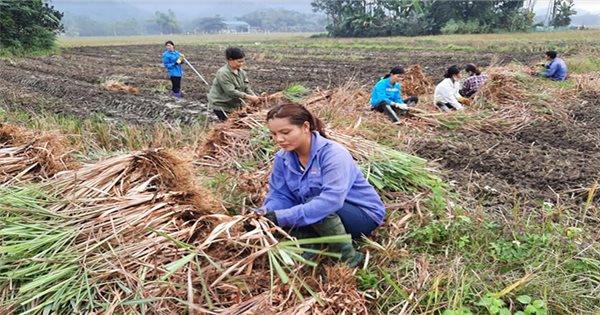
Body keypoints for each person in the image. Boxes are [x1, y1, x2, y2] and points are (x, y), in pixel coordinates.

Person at [257, 103, 386, 268]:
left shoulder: (333, 155)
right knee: (280, 218)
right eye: (273, 134)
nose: (279, 139)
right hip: (320, 211)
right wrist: (265, 215)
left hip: (360, 216)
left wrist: (283, 217)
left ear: (305, 127)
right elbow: (280, 195)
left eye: (285, 132)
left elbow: (331, 201)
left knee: (315, 206)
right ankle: (314, 245)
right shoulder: (282, 158)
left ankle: (349, 258)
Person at [208, 47, 260, 121]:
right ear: (230, 60)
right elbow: (230, 92)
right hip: (222, 105)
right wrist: (249, 97)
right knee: (229, 124)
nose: (241, 64)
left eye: (243, 61)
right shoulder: (223, 73)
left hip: (234, 105)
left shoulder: (242, 72)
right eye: (239, 62)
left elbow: (246, 87)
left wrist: (254, 96)